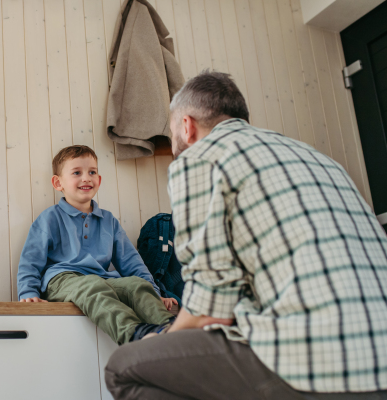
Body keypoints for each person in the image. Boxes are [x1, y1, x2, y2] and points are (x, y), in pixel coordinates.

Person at [105, 71, 387, 399]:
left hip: (321, 362)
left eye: (171, 133)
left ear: (187, 126)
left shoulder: (199, 159)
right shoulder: (318, 158)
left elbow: (212, 309)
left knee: (124, 367)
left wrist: (166, 336)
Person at [17, 145, 178, 344]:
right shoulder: (50, 218)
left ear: (99, 180)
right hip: (62, 279)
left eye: (92, 172)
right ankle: (134, 333)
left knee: (136, 284)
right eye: (77, 172)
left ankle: (174, 329)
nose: (86, 178)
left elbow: (131, 262)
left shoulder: (108, 220)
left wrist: (155, 292)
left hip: (101, 279)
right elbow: (30, 260)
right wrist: (28, 292)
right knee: (92, 286)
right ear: (58, 183)